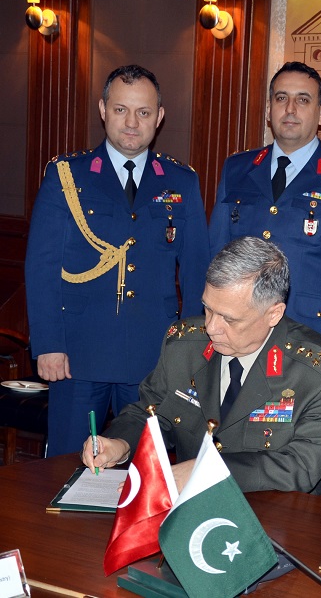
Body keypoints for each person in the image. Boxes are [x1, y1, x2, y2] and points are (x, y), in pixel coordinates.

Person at [26, 65, 210, 457]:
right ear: (103, 110)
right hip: (76, 355)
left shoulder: (181, 181)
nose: (132, 122)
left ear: (159, 117)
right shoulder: (68, 175)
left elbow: (197, 274)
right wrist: (47, 344)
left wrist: (193, 353)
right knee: (67, 467)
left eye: (143, 112)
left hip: (153, 358)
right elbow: (41, 266)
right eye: (121, 109)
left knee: (146, 475)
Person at [82, 237, 321, 494]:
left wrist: (206, 471)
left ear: (274, 314)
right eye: (208, 308)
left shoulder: (319, 373)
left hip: (280, 514)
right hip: (190, 510)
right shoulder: (184, 345)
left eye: (230, 319)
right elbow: (149, 413)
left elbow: (300, 467)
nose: (211, 327)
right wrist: (119, 443)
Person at [209, 61, 321, 361]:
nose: (290, 108)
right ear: (269, 108)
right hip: (237, 338)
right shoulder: (237, 169)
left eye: (303, 99)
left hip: (308, 343)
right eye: (281, 98)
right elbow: (215, 258)